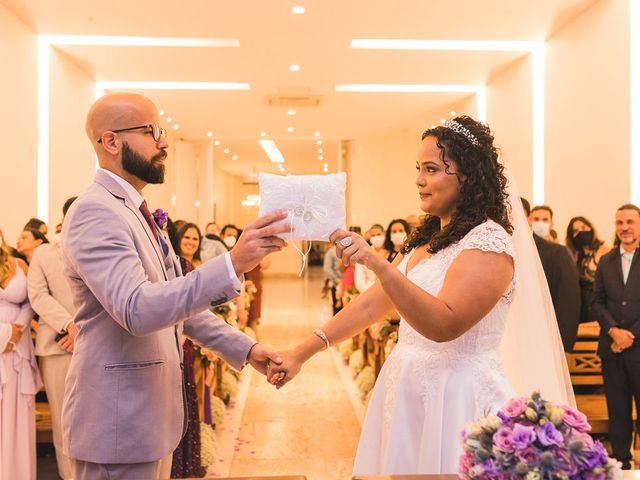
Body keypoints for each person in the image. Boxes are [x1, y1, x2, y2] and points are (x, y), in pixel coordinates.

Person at [268, 116, 573, 474]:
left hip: (458, 396)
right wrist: (301, 353)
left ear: (468, 176)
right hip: (407, 386)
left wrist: (375, 262)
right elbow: (372, 304)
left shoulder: (488, 243)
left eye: (431, 169)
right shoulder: (426, 239)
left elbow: (445, 323)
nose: (419, 180)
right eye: (418, 168)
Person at [61, 92, 288, 480]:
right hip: (118, 422)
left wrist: (245, 348)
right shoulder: (95, 211)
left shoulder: (136, 210)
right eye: (152, 132)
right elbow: (138, 308)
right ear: (111, 141)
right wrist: (232, 262)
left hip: (148, 419)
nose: (164, 142)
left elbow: (178, 305)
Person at [26, 196, 78, 480]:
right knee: (63, 420)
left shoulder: (100, 248)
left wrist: (85, 331)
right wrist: (70, 325)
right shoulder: (45, 253)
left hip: (97, 345)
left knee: (94, 420)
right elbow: (37, 295)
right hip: (58, 347)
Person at [591, 204, 640, 470]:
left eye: (630, 221)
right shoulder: (606, 261)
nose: (625, 227)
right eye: (619, 222)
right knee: (618, 409)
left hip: (638, 348)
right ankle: (622, 461)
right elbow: (596, 302)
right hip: (612, 349)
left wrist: (629, 334)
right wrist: (613, 331)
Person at [0, 243, 42, 480]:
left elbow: (30, 301)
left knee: (17, 409)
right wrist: (3, 334)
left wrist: (18, 328)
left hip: (19, 348)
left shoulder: (19, 264)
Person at [522, 198, 581, 351]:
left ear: (526, 218)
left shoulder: (558, 253)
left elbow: (568, 302)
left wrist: (562, 346)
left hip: (544, 339)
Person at [566, 216, 611, 323]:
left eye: (584, 227)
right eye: (576, 230)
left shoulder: (605, 251)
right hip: (582, 310)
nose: (581, 232)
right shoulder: (574, 256)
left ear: (591, 228)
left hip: (602, 307)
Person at [354, 223, 387, 293]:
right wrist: (374, 292)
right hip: (369, 291)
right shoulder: (363, 254)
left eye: (379, 234)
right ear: (370, 237)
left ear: (384, 234)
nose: (376, 238)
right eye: (373, 235)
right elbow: (359, 282)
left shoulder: (391, 253)